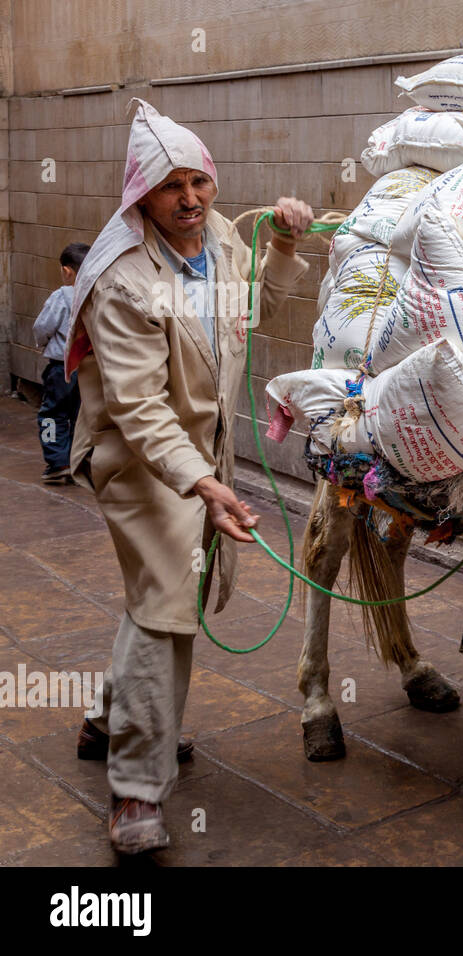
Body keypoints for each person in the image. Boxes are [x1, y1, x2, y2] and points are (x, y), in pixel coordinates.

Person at [64, 98, 314, 855]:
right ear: (141, 196)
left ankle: (110, 718)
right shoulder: (124, 280)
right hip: (139, 462)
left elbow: (258, 310)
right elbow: (139, 410)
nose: (191, 200)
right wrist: (202, 484)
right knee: (170, 602)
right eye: (171, 188)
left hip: (201, 454)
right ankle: (135, 792)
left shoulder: (226, 244)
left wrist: (279, 246)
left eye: (198, 182)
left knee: (167, 591)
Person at [32, 242, 91, 482]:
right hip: (89, 368)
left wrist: (43, 343)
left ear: (67, 271)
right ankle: (81, 462)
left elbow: (42, 327)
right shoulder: (98, 292)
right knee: (83, 416)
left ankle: (58, 463)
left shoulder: (61, 295)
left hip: (62, 368)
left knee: (52, 414)